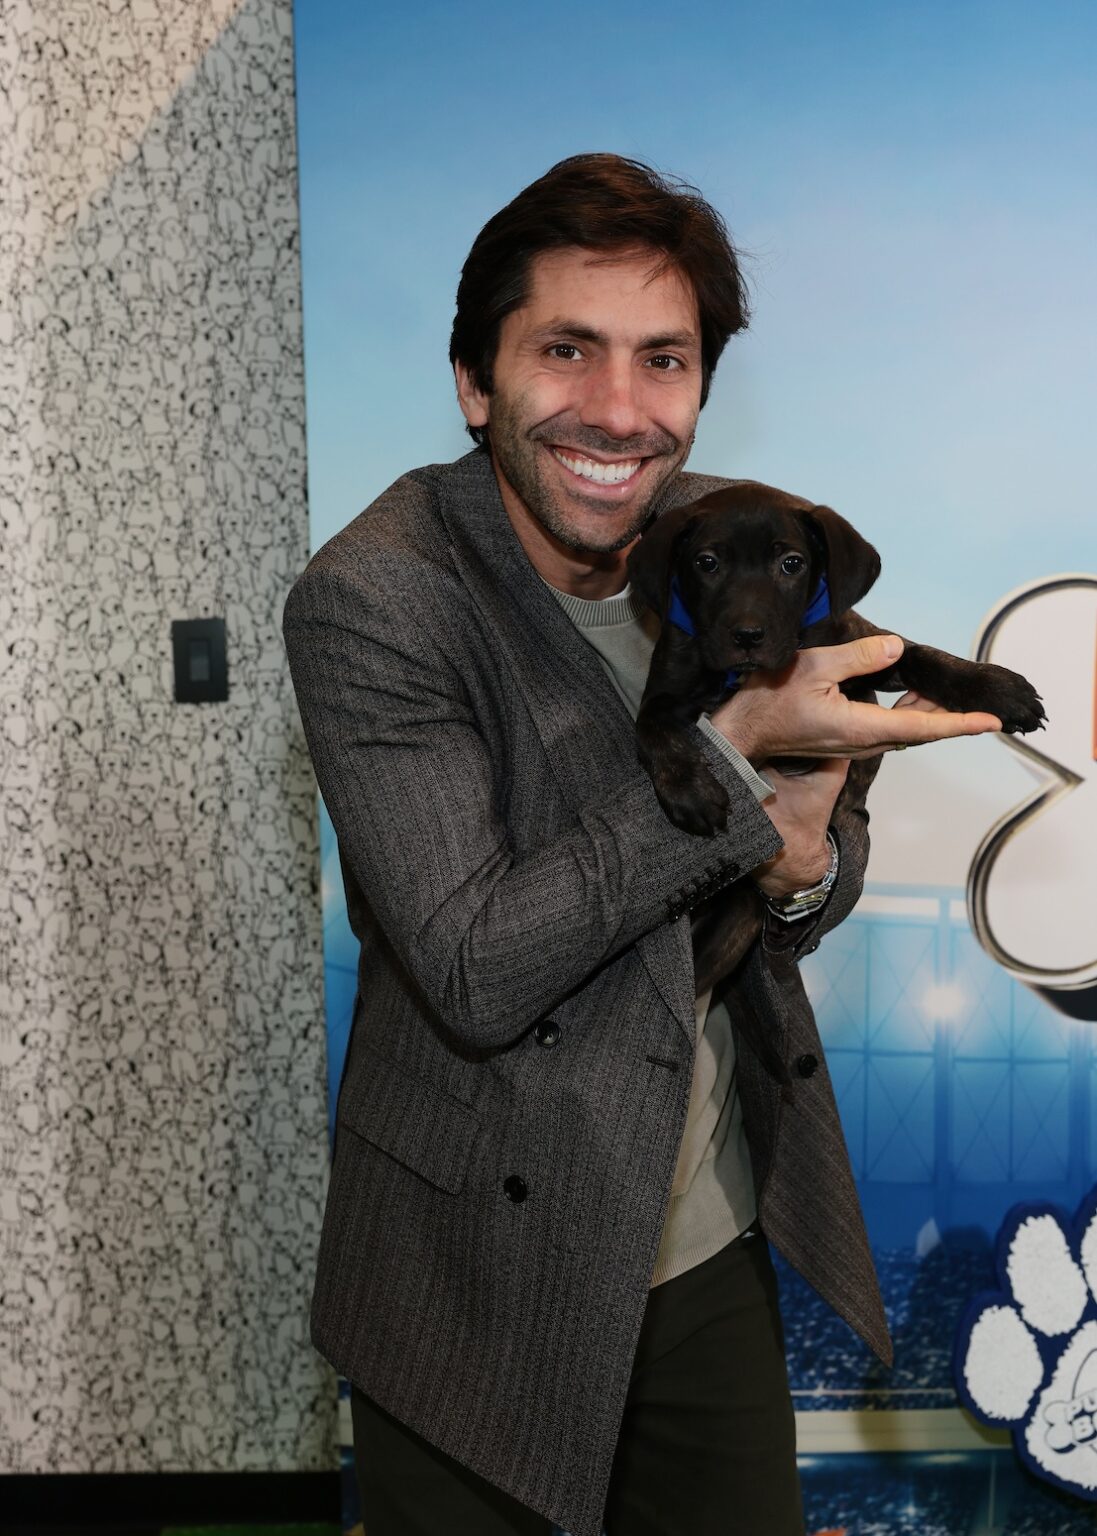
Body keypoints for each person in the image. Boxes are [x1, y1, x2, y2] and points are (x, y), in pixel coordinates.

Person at [283, 154, 1003, 1536]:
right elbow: (479, 966)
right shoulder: (374, 601)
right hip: (474, 1265)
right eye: (566, 349)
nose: (618, 409)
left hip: (700, 1231)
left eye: (661, 360)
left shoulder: (738, 540)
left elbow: (807, 856)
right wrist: (739, 765)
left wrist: (804, 873)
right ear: (472, 380)